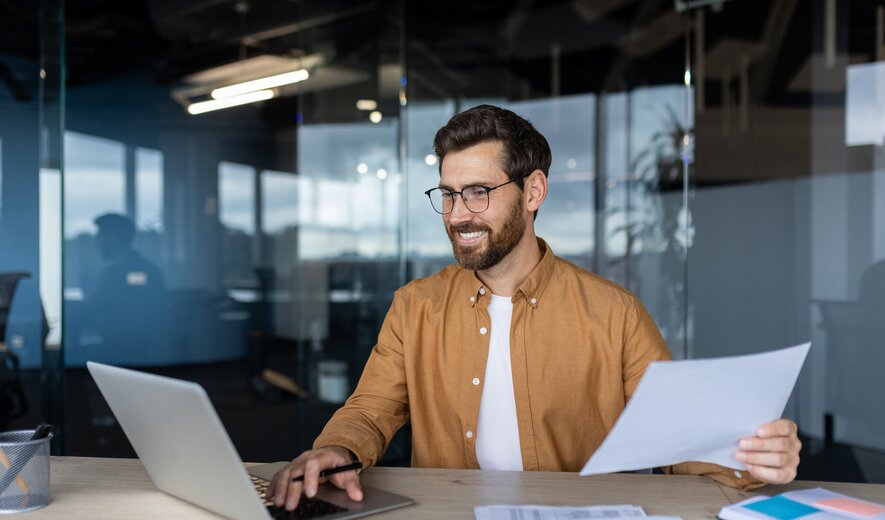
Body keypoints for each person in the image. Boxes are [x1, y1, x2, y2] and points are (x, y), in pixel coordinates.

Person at [268, 105, 801, 511]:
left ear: (533, 191)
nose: (457, 215)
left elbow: (682, 437)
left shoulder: (614, 314)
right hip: (452, 515)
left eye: (478, 192)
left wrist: (753, 458)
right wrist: (335, 450)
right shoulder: (415, 307)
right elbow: (369, 411)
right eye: (448, 194)